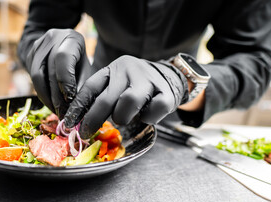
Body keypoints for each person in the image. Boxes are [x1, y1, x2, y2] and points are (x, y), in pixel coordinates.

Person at [18, 0, 271, 139]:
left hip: (174, 111)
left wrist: (182, 81)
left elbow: (255, 62)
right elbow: (38, 28)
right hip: (95, 98)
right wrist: (46, 48)